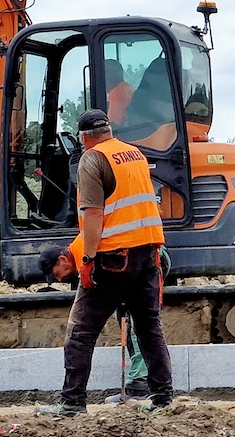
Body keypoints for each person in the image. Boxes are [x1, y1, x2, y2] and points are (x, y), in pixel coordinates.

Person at [37, 109, 173, 416]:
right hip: (148, 251)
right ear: (108, 130)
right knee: (149, 328)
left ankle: (72, 403)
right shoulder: (134, 154)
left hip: (113, 256)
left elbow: (93, 213)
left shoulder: (93, 159)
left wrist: (88, 259)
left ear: (84, 137)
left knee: (81, 332)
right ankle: (163, 398)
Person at [40, 237, 152, 403]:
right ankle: (147, 387)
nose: (59, 279)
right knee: (132, 320)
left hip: (138, 259)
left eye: (56, 274)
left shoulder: (85, 257)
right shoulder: (82, 251)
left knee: (136, 323)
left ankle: (140, 384)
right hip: (139, 257)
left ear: (63, 259)